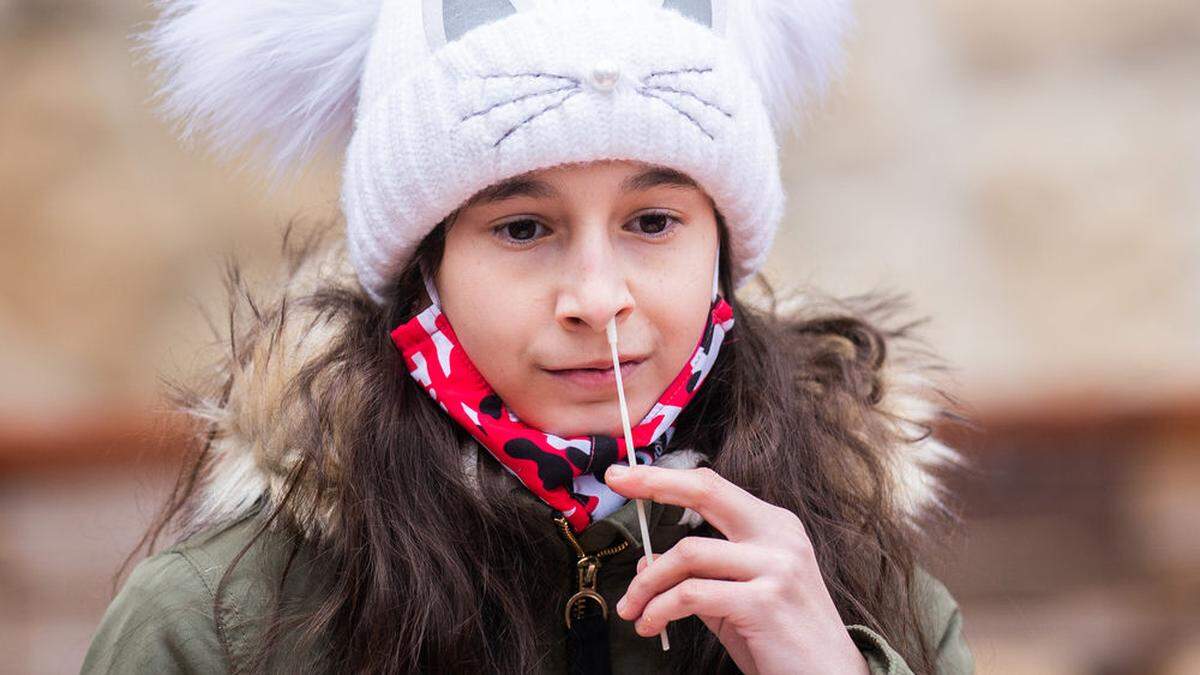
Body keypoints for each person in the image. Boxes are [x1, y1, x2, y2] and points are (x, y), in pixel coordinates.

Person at [84, 1, 975, 673]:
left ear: (722, 249)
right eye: (522, 228)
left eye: (654, 219)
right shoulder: (215, 627)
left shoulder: (855, 587)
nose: (596, 297)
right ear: (423, 269)